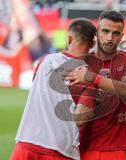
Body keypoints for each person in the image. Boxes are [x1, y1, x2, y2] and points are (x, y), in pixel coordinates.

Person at [11, 18, 98, 160]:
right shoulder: (87, 76)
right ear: (92, 44)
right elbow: (81, 119)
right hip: (59, 151)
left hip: (25, 144)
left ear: (69, 38)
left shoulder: (44, 61)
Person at [65, 10, 126, 160]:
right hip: (78, 148)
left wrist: (92, 78)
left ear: (122, 37)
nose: (110, 38)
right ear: (97, 32)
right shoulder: (82, 62)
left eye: (116, 33)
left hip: (114, 150)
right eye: (105, 31)